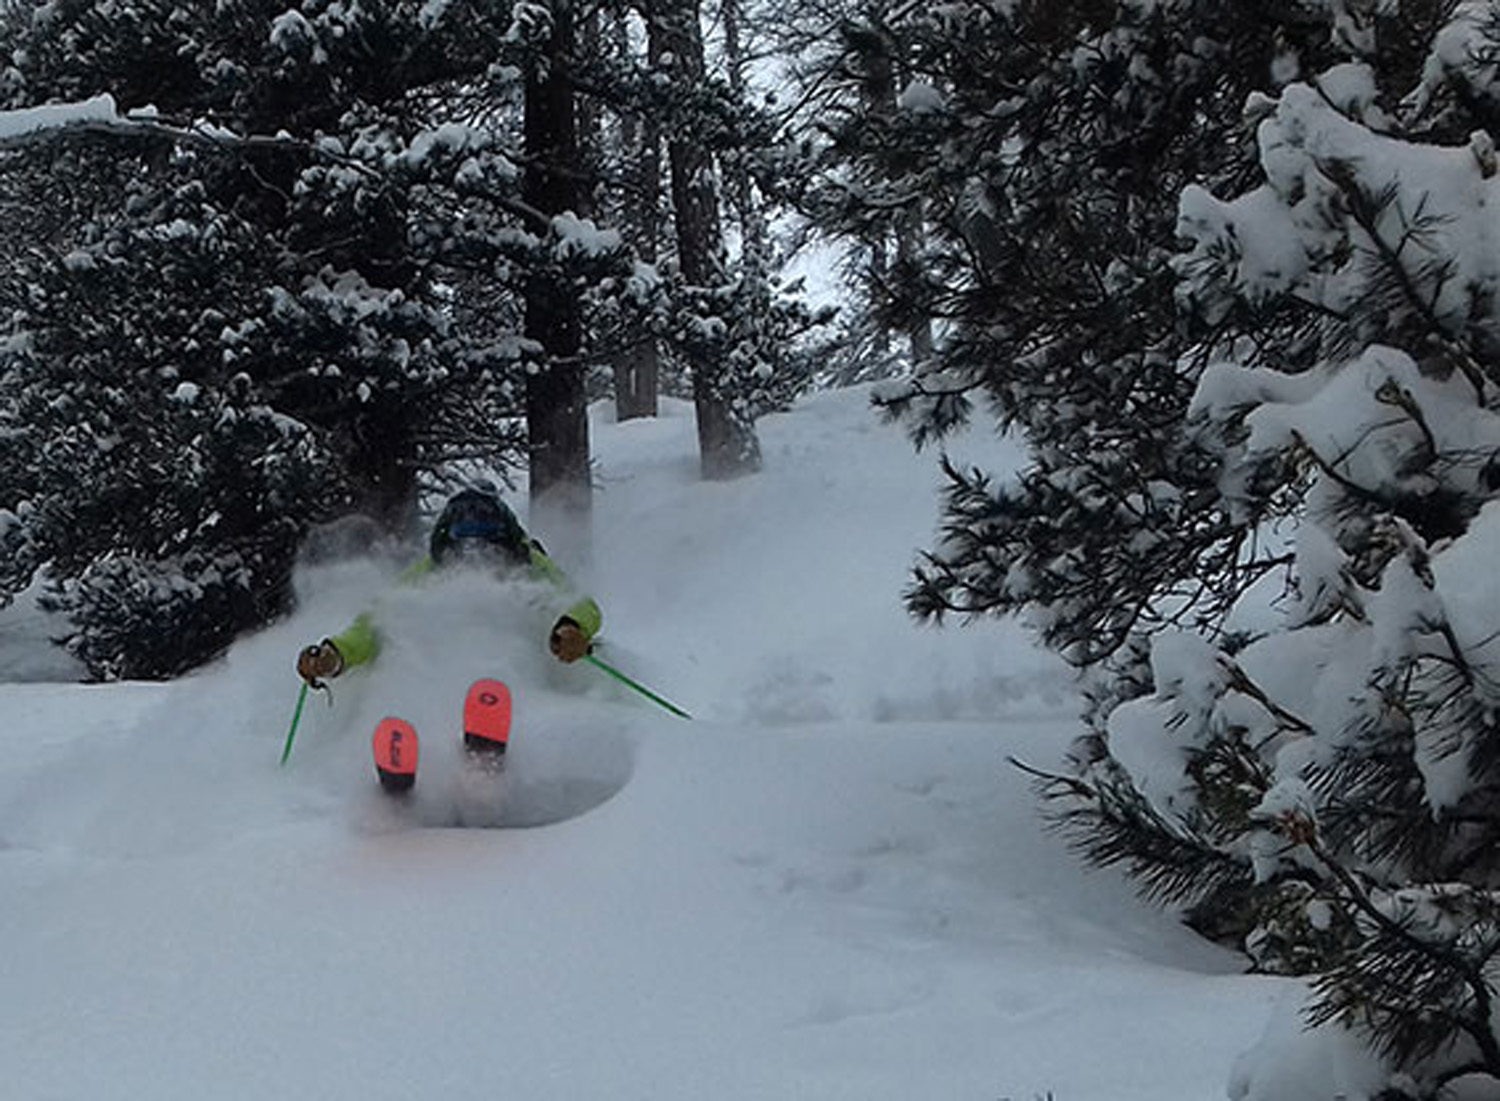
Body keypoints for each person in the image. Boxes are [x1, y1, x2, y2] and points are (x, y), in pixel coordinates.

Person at [296, 488, 601, 686]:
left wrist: (573, 627)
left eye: (487, 540)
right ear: (447, 545)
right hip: (440, 681)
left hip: (525, 679)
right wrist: (336, 654)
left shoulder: (531, 565)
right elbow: (374, 623)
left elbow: (584, 606)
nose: (476, 554)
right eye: (464, 541)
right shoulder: (428, 572)